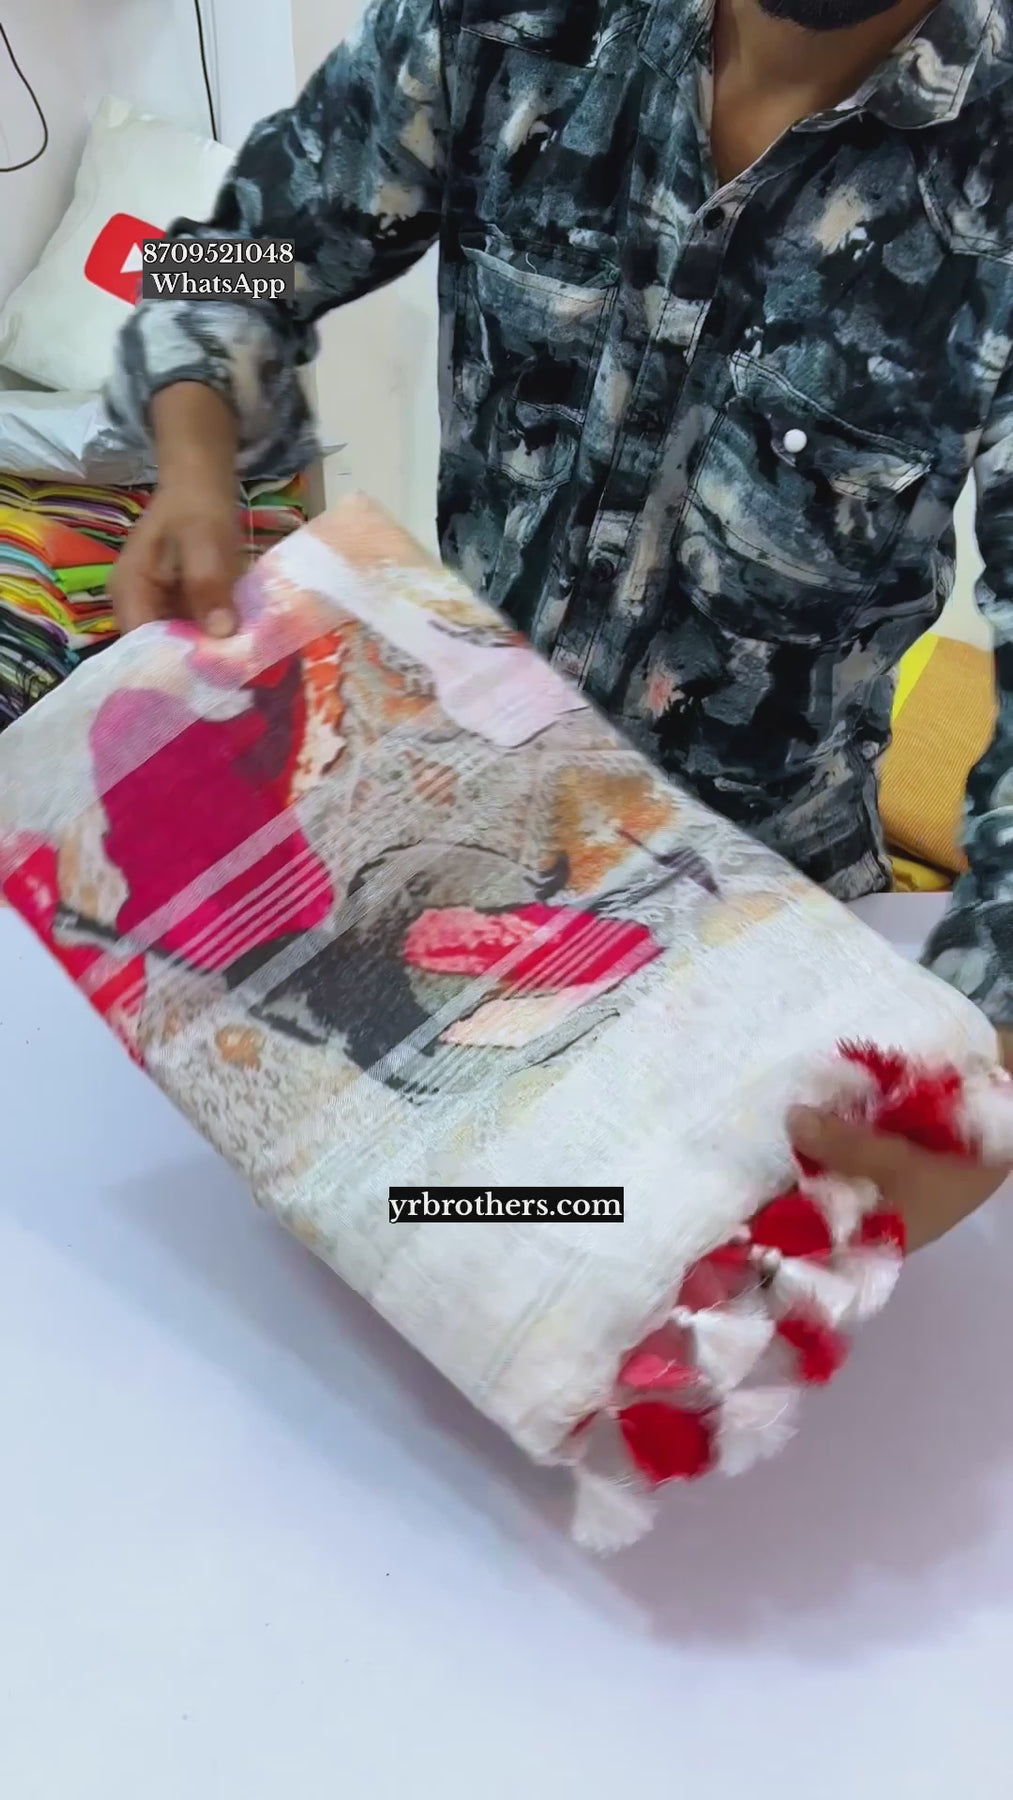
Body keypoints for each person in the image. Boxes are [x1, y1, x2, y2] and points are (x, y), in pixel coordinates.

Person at [105, 0, 1013, 1248]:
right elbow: (227, 256)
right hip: (443, 862)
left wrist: (985, 1050)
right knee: (353, 1266)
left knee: (636, 1292)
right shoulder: (501, 23)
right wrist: (196, 449)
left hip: (755, 937)